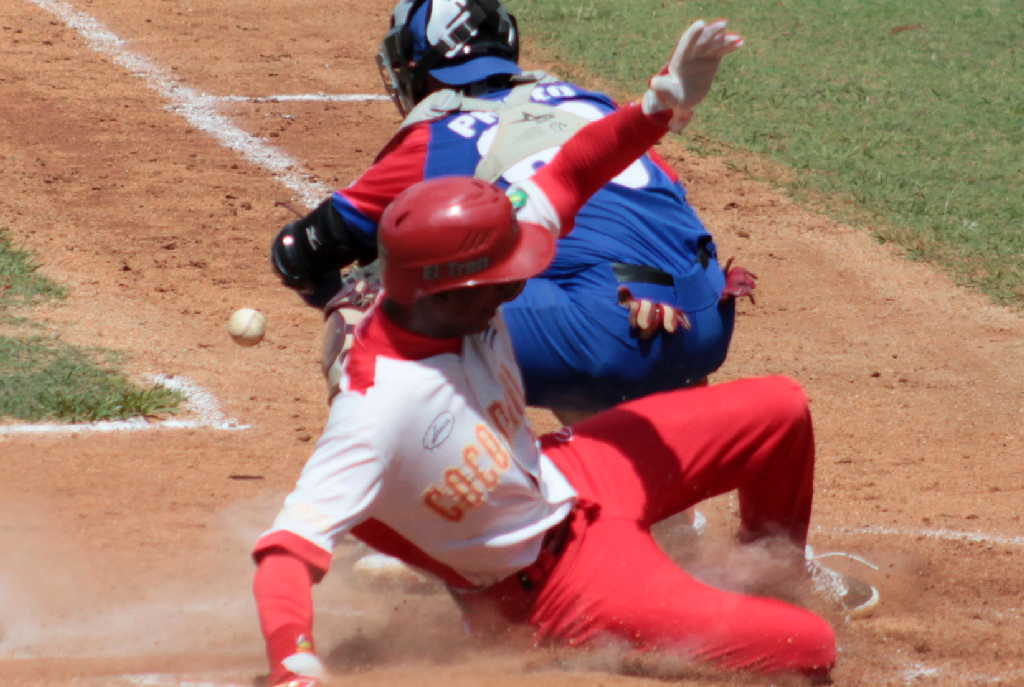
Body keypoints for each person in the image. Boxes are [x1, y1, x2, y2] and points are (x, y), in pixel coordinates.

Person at [251, 21, 869, 687]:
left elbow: (577, 166)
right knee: (808, 647)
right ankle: (556, 637)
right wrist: (292, 665)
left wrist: (660, 102)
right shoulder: (378, 406)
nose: (521, 280)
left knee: (781, 408)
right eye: (503, 277)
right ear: (446, 292)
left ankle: (768, 571)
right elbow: (287, 550)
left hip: (575, 473)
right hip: (557, 585)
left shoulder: (466, 269)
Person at [271, 0, 756, 423]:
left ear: (415, 66)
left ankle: (438, 497)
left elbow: (300, 255)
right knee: (581, 274)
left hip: (603, 339)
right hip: (704, 326)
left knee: (376, 293)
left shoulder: (440, 135)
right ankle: (657, 491)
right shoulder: (590, 104)